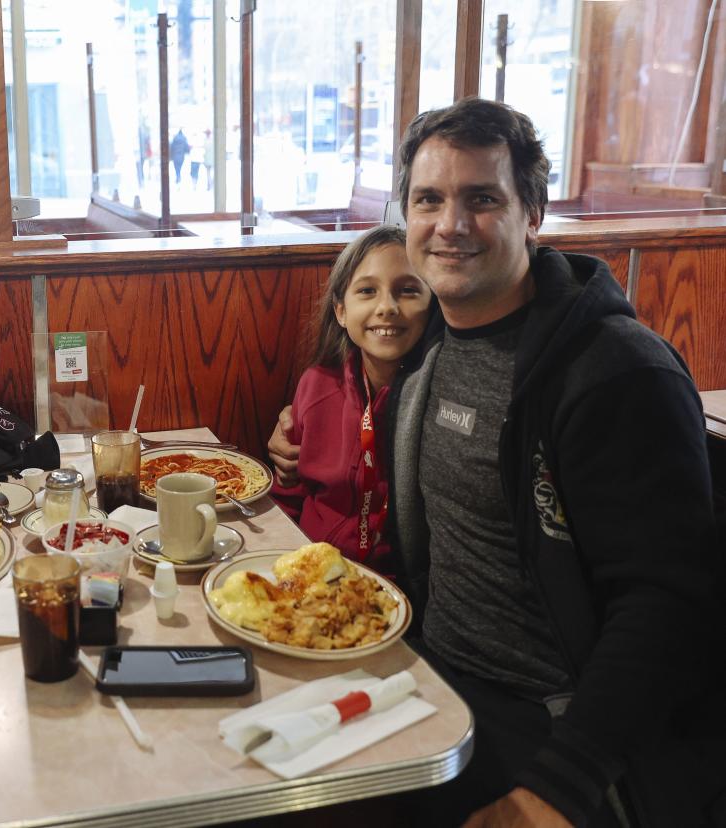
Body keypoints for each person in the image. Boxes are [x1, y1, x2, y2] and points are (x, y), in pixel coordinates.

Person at [269, 97, 722, 827]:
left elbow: (668, 603)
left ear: (532, 214)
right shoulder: (430, 359)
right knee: (247, 776)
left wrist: (556, 791)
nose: (449, 225)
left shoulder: (615, 373)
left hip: (554, 731)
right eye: (429, 199)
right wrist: (290, 438)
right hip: (428, 683)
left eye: (481, 198)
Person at [268, 225, 431, 578]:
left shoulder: (437, 401)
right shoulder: (316, 385)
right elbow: (288, 492)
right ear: (341, 311)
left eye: (407, 290)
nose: (387, 307)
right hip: (309, 570)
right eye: (367, 291)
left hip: (395, 588)